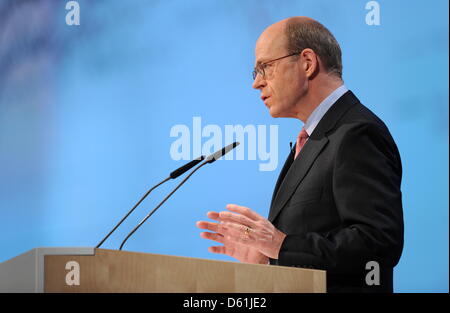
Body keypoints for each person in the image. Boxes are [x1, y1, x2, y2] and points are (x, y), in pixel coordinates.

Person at [196, 16, 404, 293]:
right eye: (255, 72)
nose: (256, 83)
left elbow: (378, 244)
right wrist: (269, 257)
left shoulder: (356, 133)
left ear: (307, 62)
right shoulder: (314, 137)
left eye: (265, 67)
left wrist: (281, 246)